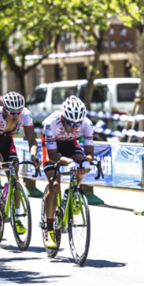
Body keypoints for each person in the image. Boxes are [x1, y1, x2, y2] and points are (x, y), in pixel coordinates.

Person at [0, 91, 39, 234]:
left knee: (15, 173)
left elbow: (32, 140)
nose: (15, 116)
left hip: (7, 141)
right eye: (12, 113)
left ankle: (17, 215)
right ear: (4, 109)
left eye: (18, 112)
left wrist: (33, 155)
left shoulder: (25, 115)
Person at [41, 96, 94, 248]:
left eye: (78, 123)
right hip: (53, 148)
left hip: (70, 145)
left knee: (80, 164)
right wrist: (68, 161)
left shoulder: (87, 124)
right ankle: (49, 230)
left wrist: (85, 160)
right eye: (71, 123)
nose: (74, 127)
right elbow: (52, 155)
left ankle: (73, 193)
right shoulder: (51, 123)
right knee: (55, 184)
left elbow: (90, 153)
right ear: (63, 118)